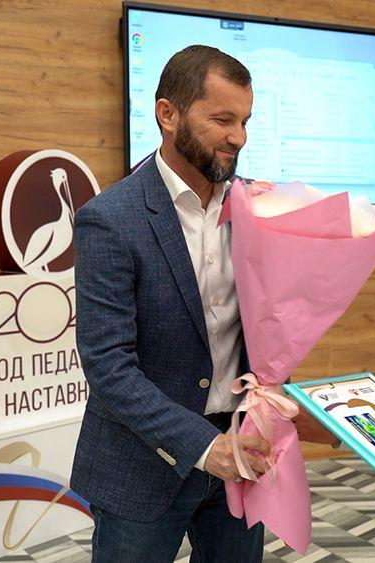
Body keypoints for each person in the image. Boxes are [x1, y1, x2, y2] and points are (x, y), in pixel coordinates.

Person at [70, 45, 271, 562]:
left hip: (240, 452)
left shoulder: (258, 209)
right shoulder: (110, 219)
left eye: (245, 121)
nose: (238, 137)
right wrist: (203, 447)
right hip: (142, 463)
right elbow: (109, 366)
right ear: (168, 114)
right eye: (222, 120)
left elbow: (272, 326)